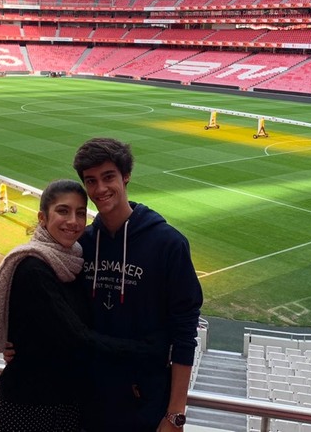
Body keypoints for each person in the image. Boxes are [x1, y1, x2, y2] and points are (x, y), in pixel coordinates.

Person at [0, 179, 164, 432]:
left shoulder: (72, 261)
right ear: (43, 217)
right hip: (30, 403)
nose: (73, 222)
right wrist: (148, 350)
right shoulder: (34, 268)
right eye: (63, 211)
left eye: (80, 212)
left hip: (67, 400)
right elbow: (77, 337)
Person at [73, 137, 203, 432]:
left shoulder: (169, 244)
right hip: (89, 400)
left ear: (126, 176)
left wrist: (175, 414)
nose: (100, 189)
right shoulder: (83, 244)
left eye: (109, 177)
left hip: (145, 402)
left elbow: (185, 332)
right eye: (91, 181)